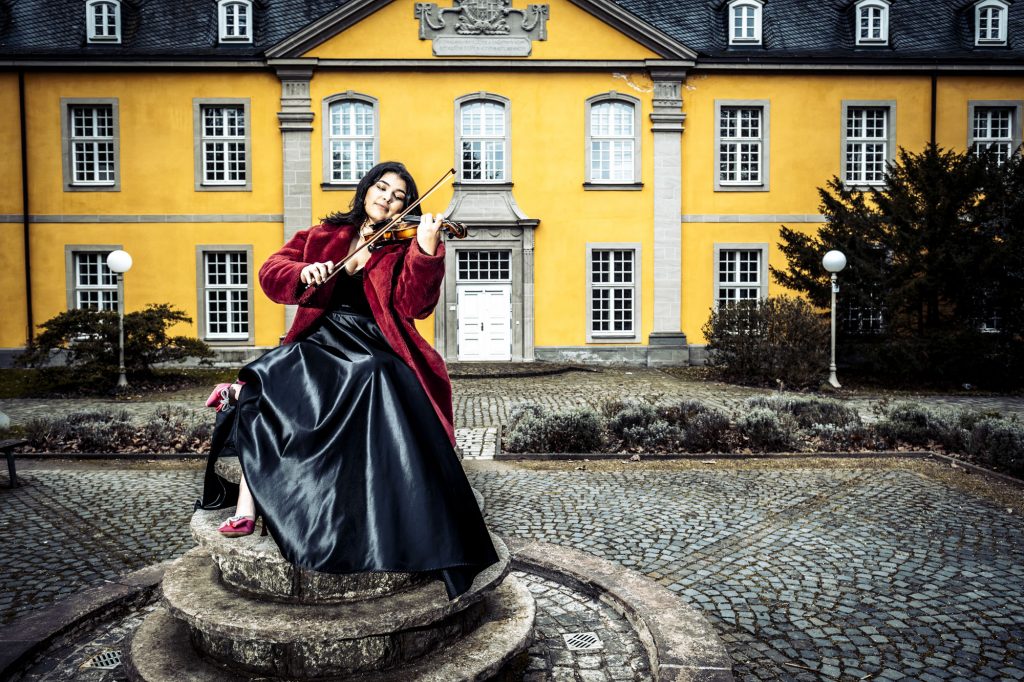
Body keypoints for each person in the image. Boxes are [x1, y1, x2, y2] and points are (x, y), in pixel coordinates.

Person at [196, 161, 498, 600]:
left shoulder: (404, 243)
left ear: (405, 206)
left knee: (374, 373)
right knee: (273, 374)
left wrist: (426, 250)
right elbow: (271, 271)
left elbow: (415, 305)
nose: (387, 199)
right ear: (366, 189)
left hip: (374, 340)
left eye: (398, 196)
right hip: (320, 337)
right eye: (381, 188)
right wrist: (302, 273)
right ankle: (247, 496)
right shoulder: (324, 235)